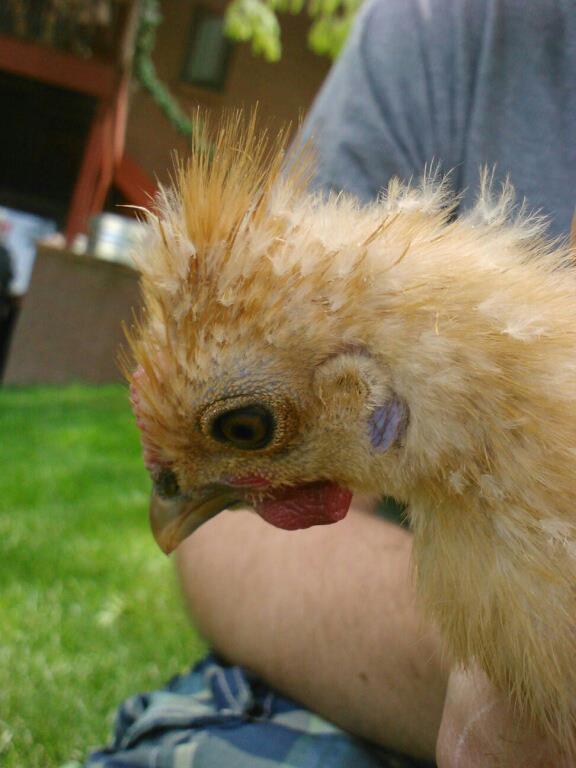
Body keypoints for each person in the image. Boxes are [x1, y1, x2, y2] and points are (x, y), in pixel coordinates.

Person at [86, 0, 576, 766]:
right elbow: (236, 554)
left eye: (246, 427)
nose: (170, 504)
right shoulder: (451, 23)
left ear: (371, 395)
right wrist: (516, 671)